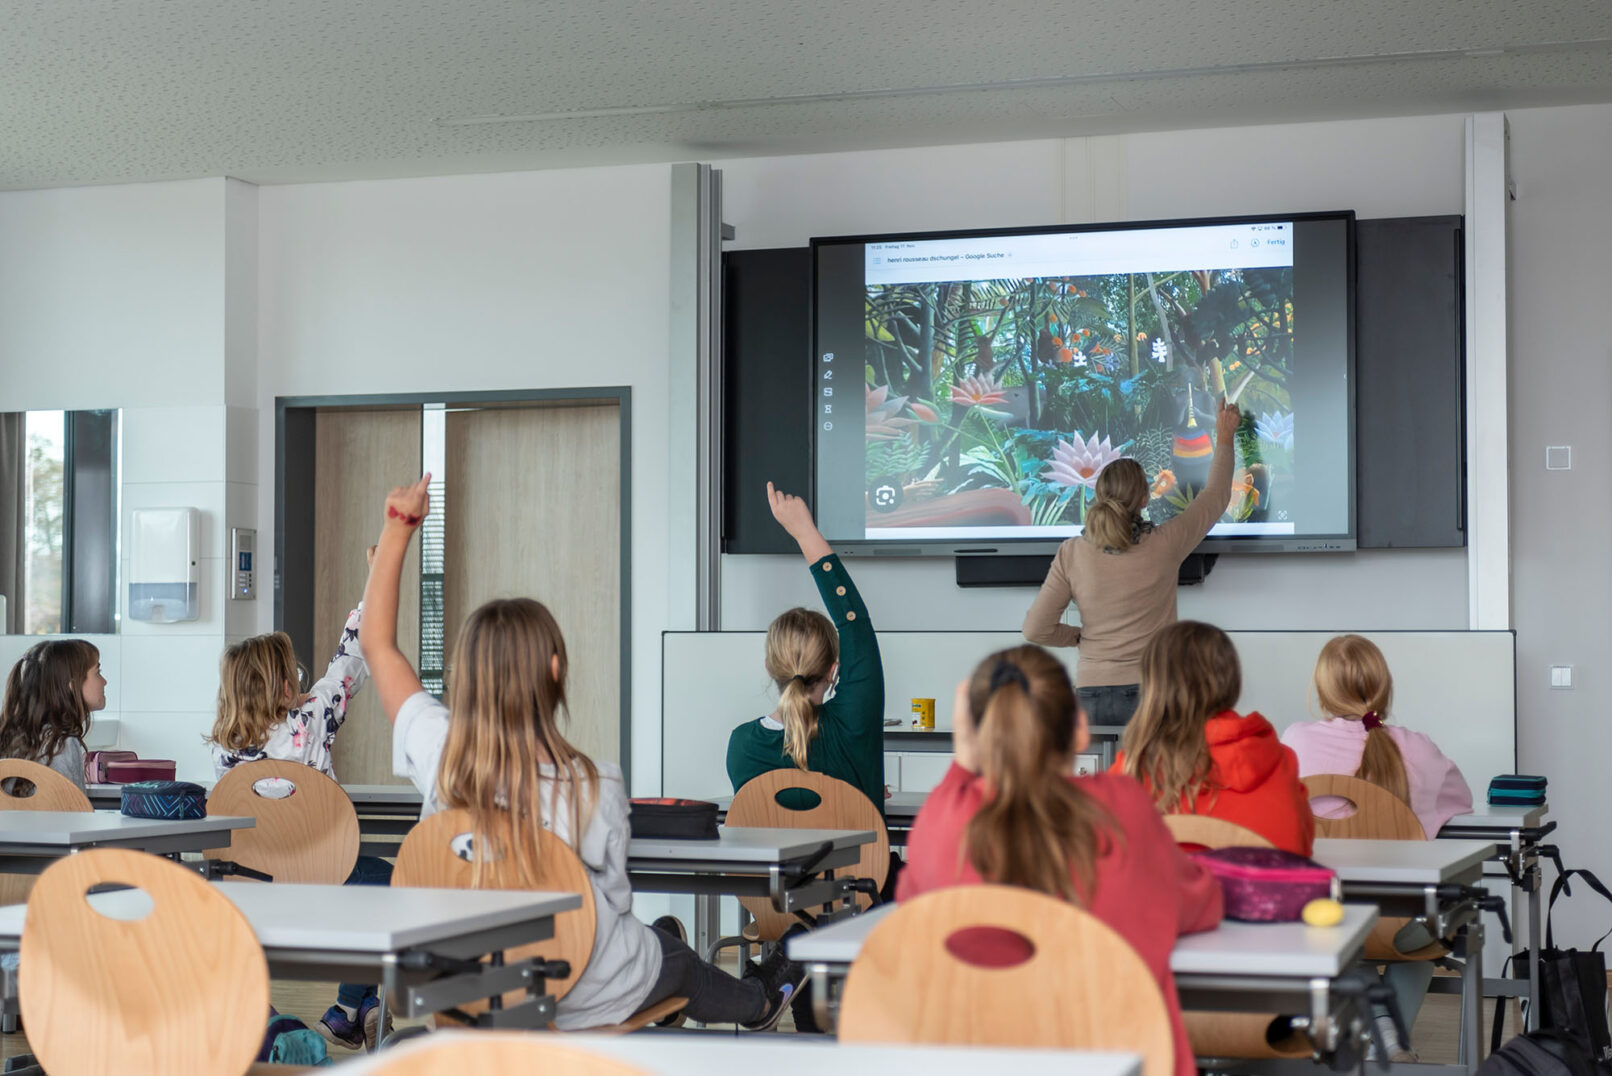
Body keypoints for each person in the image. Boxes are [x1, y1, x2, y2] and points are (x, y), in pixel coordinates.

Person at [361, 475, 800, 1031]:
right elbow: (608, 906)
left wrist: (398, 527)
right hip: (576, 994)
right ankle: (759, 1002)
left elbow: (377, 646)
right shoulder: (594, 786)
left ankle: (668, 947)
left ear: (464, 675)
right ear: (555, 669)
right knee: (672, 961)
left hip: (458, 990)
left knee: (652, 945)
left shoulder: (440, 752)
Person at [898, 644, 1223, 1076]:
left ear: (978, 735)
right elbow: (1203, 905)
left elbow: (909, 910)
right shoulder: (1124, 808)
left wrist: (962, 764)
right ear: (1080, 729)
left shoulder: (945, 821)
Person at [206, 561, 392, 1052]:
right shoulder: (311, 718)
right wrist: (373, 583)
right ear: (288, 689)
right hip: (322, 878)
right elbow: (351, 660)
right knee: (386, 883)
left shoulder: (224, 749)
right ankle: (349, 1007)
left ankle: (355, 1011)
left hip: (254, 885)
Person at [1281, 633, 1473, 1062]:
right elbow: (1460, 806)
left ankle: (1381, 1033)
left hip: (1323, 917)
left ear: (1322, 689)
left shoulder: (1296, 741)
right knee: (1423, 930)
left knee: (1349, 930)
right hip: (1406, 924)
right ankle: (1392, 1039)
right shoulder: (1420, 747)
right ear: (1385, 687)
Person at [1022, 398, 1241, 726]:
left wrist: (1079, 637)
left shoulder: (1072, 552)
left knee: (1099, 764)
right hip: (1152, 693)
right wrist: (1224, 437)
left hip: (1091, 693)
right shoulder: (1166, 542)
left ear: (1099, 496)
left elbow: (1035, 629)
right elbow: (1216, 497)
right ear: (1143, 499)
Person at [726, 482, 885, 816]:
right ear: (834, 670)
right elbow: (854, 624)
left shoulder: (743, 746)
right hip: (863, 854)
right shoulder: (853, 725)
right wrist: (805, 532)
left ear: (770, 666)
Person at [1113, 620, 1314, 856]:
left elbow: (1099, 852)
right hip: (1263, 881)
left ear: (1153, 687)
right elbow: (1302, 845)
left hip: (1162, 881)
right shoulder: (1280, 760)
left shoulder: (1132, 768)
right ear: (1233, 680)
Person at [0, 639, 104, 792]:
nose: (104, 682)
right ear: (73, 685)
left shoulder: (13, 736)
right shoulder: (62, 742)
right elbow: (72, 805)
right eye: (97, 673)